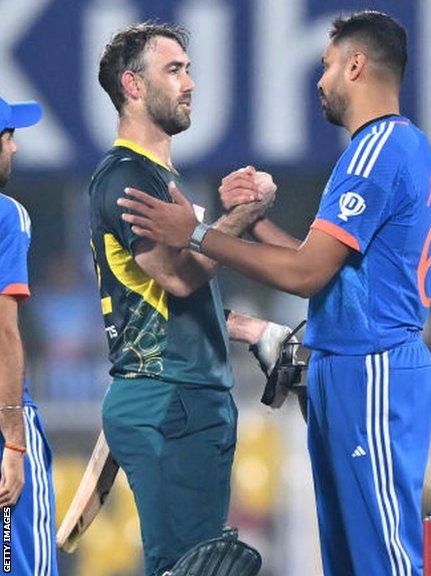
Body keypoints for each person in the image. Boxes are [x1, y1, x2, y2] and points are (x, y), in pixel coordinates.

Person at [116, 11, 431, 575]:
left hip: (373, 372)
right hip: (351, 367)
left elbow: (305, 277)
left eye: (328, 65)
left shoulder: (377, 148)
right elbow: (326, 267)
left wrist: (194, 233)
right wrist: (257, 220)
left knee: (386, 558)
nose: (320, 80)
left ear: (357, 65)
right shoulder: (388, 147)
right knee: (352, 559)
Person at [87, 22, 292, 575]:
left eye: (189, 68)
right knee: (192, 569)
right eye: (174, 69)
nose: (190, 82)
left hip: (181, 399)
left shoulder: (155, 178)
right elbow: (178, 277)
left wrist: (249, 328)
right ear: (132, 85)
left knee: (198, 565)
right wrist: (244, 216)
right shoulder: (128, 177)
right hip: (169, 400)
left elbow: (164, 301)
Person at [0, 95, 59, 576]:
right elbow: (4, 331)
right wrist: (14, 445)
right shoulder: (6, 216)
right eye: (8, 138)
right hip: (2, 425)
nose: (15, 150)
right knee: (22, 566)